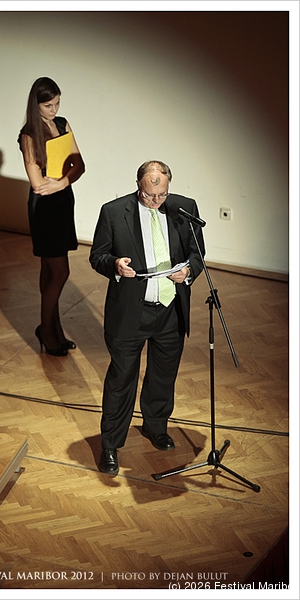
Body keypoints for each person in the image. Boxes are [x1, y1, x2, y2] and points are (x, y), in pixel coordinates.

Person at [89, 160, 205, 475]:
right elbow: (97, 256)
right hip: (130, 312)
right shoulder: (114, 212)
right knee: (121, 379)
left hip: (170, 309)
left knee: (163, 375)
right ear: (138, 184)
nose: (156, 201)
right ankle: (110, 444)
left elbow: (197, 254)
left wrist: (188, 272)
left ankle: (156, 426)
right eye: (149, 194)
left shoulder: (184, 209)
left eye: (162, 194)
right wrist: (115, 265)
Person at [18, 77, 85, 356]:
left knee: (49, 270)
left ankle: (53, 328)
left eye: (57, 103)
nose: (54, 110)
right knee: (60, 271)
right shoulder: (29, 134)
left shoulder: (62, 124)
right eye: (48, 105)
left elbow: (79, 164)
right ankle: (46, 329)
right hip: (44, 209)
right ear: (36, 105)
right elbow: (37, 184)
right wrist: (62, 180)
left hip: (62, 201)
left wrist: (61, 182)